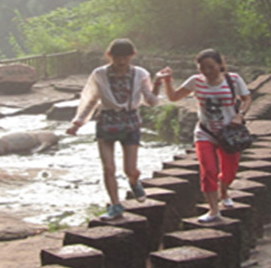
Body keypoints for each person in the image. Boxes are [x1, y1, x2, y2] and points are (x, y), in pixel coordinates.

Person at [67, 38, 163, 221]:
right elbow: (91, 99)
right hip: (106, 121)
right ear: (109, 56)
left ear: (132, 56)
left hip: (130, 122)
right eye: (117, 57)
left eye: (125, 58)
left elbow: (151, 101)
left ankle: (135, 181)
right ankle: (115, 205)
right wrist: (78, 122)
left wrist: (157, 84)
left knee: (130, 169)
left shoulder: (140, 74)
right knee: (108, 167)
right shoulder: (100, 74)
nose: (121, 61)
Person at [158, 48, 253, 223]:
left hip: (229, 133)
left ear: (220, 65)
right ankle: (213, 210)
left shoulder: (234, 80)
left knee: (229, 172)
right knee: (208, 170)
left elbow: (247, 98)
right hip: (205, 132)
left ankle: (223, 191)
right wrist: (167, 81)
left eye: (211, 67)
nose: (207, 72)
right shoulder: (196, 81)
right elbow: (173, 97)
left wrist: (240, 115)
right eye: (202, 68)